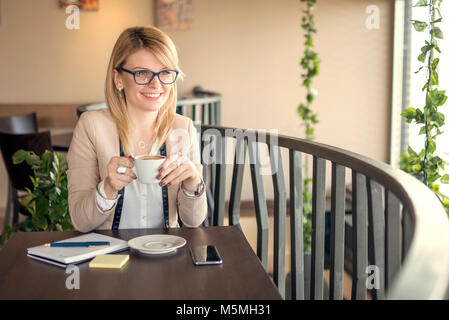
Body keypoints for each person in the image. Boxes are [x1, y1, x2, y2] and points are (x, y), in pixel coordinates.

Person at [67, 26, 207, 233]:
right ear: (118, 79)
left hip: (165, 253)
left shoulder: (183, 127)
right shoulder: (91, 126)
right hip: (110, 257)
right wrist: (108, 187)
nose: (156, 84)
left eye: (165, 73)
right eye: (142, 73)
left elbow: (193, 221)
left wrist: (193, 181)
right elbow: (80, 220)